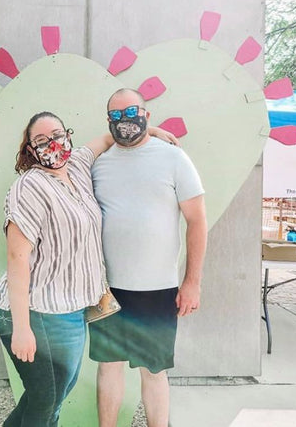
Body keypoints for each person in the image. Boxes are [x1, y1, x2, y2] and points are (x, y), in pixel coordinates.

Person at [0, 110, 177, 427]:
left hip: (71, 310)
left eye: (58, 135)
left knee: (48, 395)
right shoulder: (29, 187)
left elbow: (106, 138)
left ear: (68, 136)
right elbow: (17, 258)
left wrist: (150, 131)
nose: (53, 144)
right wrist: (22, 329)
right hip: (36, 312)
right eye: (42, 140)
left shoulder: (76, 165)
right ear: (30, 149)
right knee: (47, 402)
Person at [89, 88, 208, 427]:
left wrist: (192, 282)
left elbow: (197, 220)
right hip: (106, 288)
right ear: (108, 120)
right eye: (116, 116)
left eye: (132, 113)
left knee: (153, 371)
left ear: (146, 114)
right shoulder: (99, 163)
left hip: (158, 288)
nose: (125, 121)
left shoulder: (173, 158)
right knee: (108, 367)